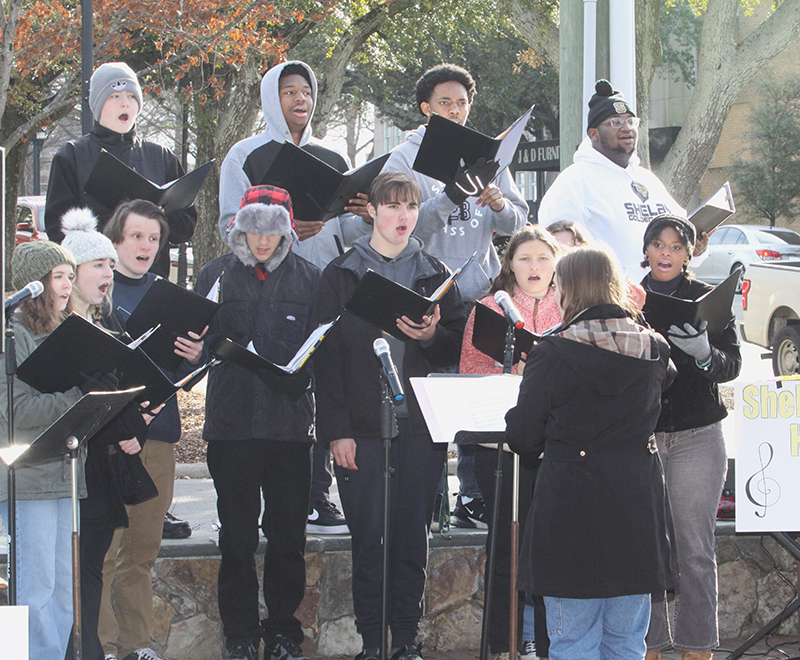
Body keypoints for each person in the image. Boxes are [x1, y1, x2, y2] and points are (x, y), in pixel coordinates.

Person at [313, 171, 466, 660]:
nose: (403, 216)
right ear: (373, 211)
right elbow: (326, 360)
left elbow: (456, 350)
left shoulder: (436, 273)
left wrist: (431, 339)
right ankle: (372, 643)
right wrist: (337, 432)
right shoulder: (340, 274)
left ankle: (405, 641)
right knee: (370, 541)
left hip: (420, 429)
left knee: (410, 540)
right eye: (393, 206)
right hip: (360, 430)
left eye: (411, 207)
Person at [218, 59, 370, 534]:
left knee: (325, 385)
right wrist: (282, 232)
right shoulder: (244, 154)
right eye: (288, 91)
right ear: (270, 98)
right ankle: (262, 505)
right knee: (279, 387)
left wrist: (360, 215)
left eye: (306, 90)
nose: (300, 99)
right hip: (265, 289)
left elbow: (346, 229)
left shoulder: (332, 158)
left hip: (323, 284)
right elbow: (229, 223)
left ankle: (316, 495)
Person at [506, 245, 675, 660]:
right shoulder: (654, 350)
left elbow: (523, 436)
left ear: (568, 291)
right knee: (625, 643)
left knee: (573, 642)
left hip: (570, 512)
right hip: (635, 508)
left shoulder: (552, 352)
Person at [383, 63, 528, 529]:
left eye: (462, 103)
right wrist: (447, 197)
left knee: (477, 393)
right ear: (426, 108)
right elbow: (401, 226)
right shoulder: (404, 158)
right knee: (431, 397)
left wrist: (500, 204)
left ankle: (472, 496)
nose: (456, 110)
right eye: (445, 103)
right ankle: (429, 501)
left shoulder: (491, 156)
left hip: (480, 291)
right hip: (427, 292)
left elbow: (518, 225)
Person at [195, 185, 319, 660]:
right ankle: (241, 633)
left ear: (287, 229)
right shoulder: (215, 274)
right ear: (238, 227)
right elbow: (194, 340)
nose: (261, 241)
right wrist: (196, 349)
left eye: (271, 230)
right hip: (231, 428)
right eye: (252, 229)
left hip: (289, 430)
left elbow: (322, 350)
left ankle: (285, 631)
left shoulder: (311, 279)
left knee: (289, 537)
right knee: (238, 537)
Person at [98, 200, 205, 660]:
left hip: (157, 434)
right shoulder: (95, 291)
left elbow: (186, 374)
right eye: (136, 236)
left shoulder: (170, 295)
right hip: (106, 439)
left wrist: (194, 356)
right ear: (116, 239)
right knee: (103, 552)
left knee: (142, 550)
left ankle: (135, 646)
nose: (145, 246)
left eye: (154, 238)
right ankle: (99, 645)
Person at [60, 208, 161, 660]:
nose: (107, 273)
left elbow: (124, 386)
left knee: (98, 565)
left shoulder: (112, 320)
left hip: (105, 467)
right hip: (66, 468)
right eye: (97, 265)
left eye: (108, 265)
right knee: (71, 571)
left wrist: (140, 420)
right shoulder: (52, 329)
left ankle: (91, 651)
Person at [639, 215, 741, 660]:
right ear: (645, 250)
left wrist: (704, 355)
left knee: (694, 547)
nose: (666, 253)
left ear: (688, 253)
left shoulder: (708, 299)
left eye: (676, 246)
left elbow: (732, 364)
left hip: (699, 436)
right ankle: (650, 647)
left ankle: (697, 648)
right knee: (648, 547)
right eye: (658, 245)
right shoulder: (626, 297)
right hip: (641, 437)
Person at [460, 225, 563, 660]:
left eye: (543, 257)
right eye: (525, 258)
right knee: (505, 550)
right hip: (499, 450)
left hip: (556, 448)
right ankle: (502, 644)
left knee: (549, 552)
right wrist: (511, 372)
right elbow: (470, 373)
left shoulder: (571, 307)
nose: (534, 266)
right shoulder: (488, 309)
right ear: (510, 265)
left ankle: (546, 643)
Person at [0, 240, 82, 660]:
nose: (68, 285)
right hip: (26, 478)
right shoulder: (12, 335)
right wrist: (80, 397)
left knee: (65, 590)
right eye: (58, 276)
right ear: (35, 284)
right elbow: (16, 410)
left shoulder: (67, 329)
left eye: (70, 275)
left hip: (66, 475)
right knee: (32, 588)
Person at [537, 80, 710, 278]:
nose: (626, 128)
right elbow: (558, 255)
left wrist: (696, 250)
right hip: (607, 302)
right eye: (615, 123)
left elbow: (679, 238)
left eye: (631, 122)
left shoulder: (648, 180)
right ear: (593, 134)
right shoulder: (574, 181)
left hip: (659, 299)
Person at [45, 61, 197, 278]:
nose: (125, 103)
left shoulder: (161, 156)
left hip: (150, 281)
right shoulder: (72, 156)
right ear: (98, 104)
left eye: (131, 96)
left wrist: (160, 217)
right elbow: (57, 228)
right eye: (115, 96)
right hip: (95, 285)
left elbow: (186, 227)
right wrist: (117, 225)